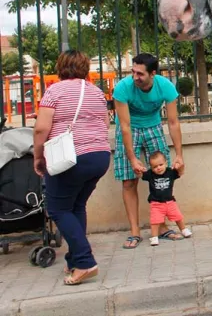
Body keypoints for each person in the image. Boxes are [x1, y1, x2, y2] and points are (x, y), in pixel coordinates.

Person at [32, 50, 111, 285]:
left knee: (57, 209)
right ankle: (74, 260)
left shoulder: (55, 91)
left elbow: (40, 129)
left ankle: (85, 262)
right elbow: (105, 122)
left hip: (71, 158)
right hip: (100, 157)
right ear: (85, 67)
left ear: (61, 66)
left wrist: (38, 157)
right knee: (76, 206)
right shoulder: (96, 92)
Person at [113, 53, 185, 249]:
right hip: (130, 129)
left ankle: (162, 227)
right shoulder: (122, 88)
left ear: (152, 74)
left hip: (153, 126)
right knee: (129, 181)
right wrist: (132, 158)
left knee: (162, 176)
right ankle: (135, 232)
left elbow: (173, 122)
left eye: (140, 73)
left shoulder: (165, 86)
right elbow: (125, 126)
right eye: (133, 72)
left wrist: (179, 155)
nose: (135, 77)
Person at [141, 151, 192, 245]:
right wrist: (139, 170)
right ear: (151, 167)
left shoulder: (170, 172)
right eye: (155, 167)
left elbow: (180, 173)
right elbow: (141, 175)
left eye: (160, 164)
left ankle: (183, 229)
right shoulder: (150, 174)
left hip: (170, 202)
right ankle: (154, 237)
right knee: (155, 221)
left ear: (166, 163)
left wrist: (180, 167)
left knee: (178, 217)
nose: (158, 168)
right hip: (156, 203)